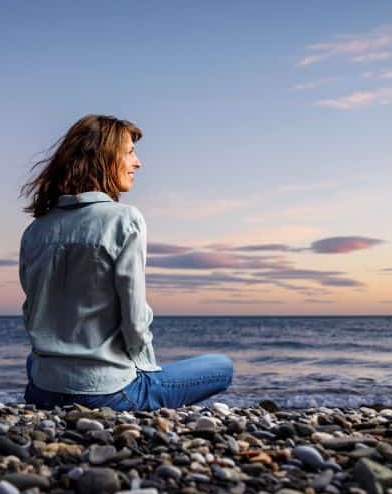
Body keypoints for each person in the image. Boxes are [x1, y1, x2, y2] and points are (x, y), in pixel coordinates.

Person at [18, 114, 233, 410]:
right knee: (222, 366)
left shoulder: (36, 229)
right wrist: (145, 369)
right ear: (103, 157)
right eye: (130, 152)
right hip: (109, 392)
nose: (138, 163)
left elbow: (32, 313)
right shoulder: (124, 219)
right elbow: (134, 319)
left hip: (43, 389)